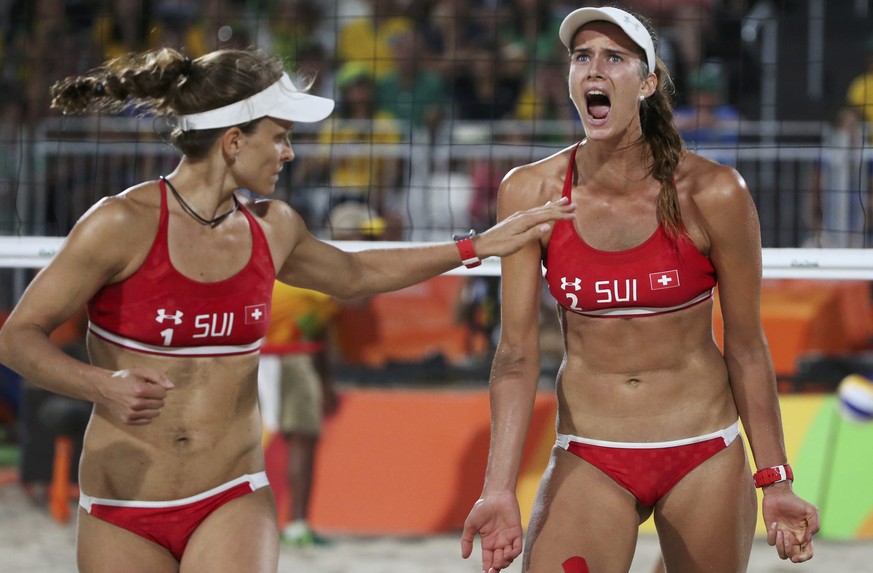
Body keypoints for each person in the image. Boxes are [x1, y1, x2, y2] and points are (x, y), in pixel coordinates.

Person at [0, 46, 574, 573]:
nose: (289, 152)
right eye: (278, 136)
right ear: (233, 141)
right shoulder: (120, 224)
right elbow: (17, 337)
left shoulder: (272, 228)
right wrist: (100, 384)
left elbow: (355, 274)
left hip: (229, 494)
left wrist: (476, 246)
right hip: (122, 500)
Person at [459, 7, 819, 573]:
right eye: (582, 58)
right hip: (592, 452)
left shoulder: (715, 192)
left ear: (647, 82)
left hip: (703, 447)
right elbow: (516, 355)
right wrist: (498, 489)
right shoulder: (531, 191)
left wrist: (775, 479)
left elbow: (748, 347)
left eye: (614, 58)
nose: (593, 70)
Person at [258, 281, 339, 547]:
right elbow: (322, 330)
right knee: (303, 441)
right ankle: (297, 525)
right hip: (290, 357)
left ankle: (289, 526)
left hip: (246, 358)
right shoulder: (311, 282)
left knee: (240, 443)